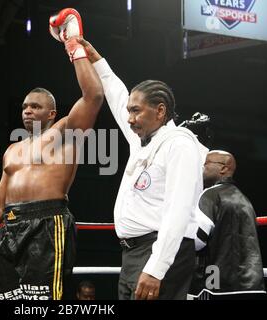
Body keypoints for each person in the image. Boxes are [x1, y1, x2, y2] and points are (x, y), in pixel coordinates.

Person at [0, 8, 104, 300]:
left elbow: (93, 96)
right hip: (10, 228)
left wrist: (73, 46)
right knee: (11, 300)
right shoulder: (12, 151)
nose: (27, 111)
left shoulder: (66, 132)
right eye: (24, 107)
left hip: (48, 223)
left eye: (36, 107)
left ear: (52, 113)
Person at [77, 39, 207, 300]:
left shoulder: (179, 144)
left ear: (160, 111)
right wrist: (95, 58)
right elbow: (116, 96)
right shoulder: (143, 140)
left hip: (158, 251)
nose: (129, 118)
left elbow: (178, 210)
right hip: (133, 253)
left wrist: (157, 268)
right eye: (129, 111)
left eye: (136, 111)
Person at [189, 150, 266, 299]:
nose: (201, 169)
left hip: (217, 283)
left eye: (205, 164)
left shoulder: (210, 195)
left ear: (224, 168)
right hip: (251, 285)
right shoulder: (245, 199)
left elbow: (197, 240)